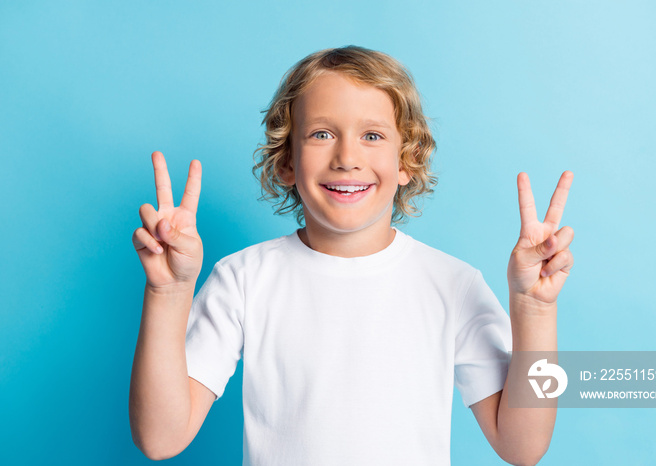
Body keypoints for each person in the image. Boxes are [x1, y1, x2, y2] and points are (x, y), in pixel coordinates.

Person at [129, 45, 574, 466]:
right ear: (286, 162)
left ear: (407, 163)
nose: (347, 157)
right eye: (322, 133)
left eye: (372, 135)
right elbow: (160, 437)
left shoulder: (453, 284)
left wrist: (534, 309)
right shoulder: (243, 279)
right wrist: (168, 291)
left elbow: (524, 445)